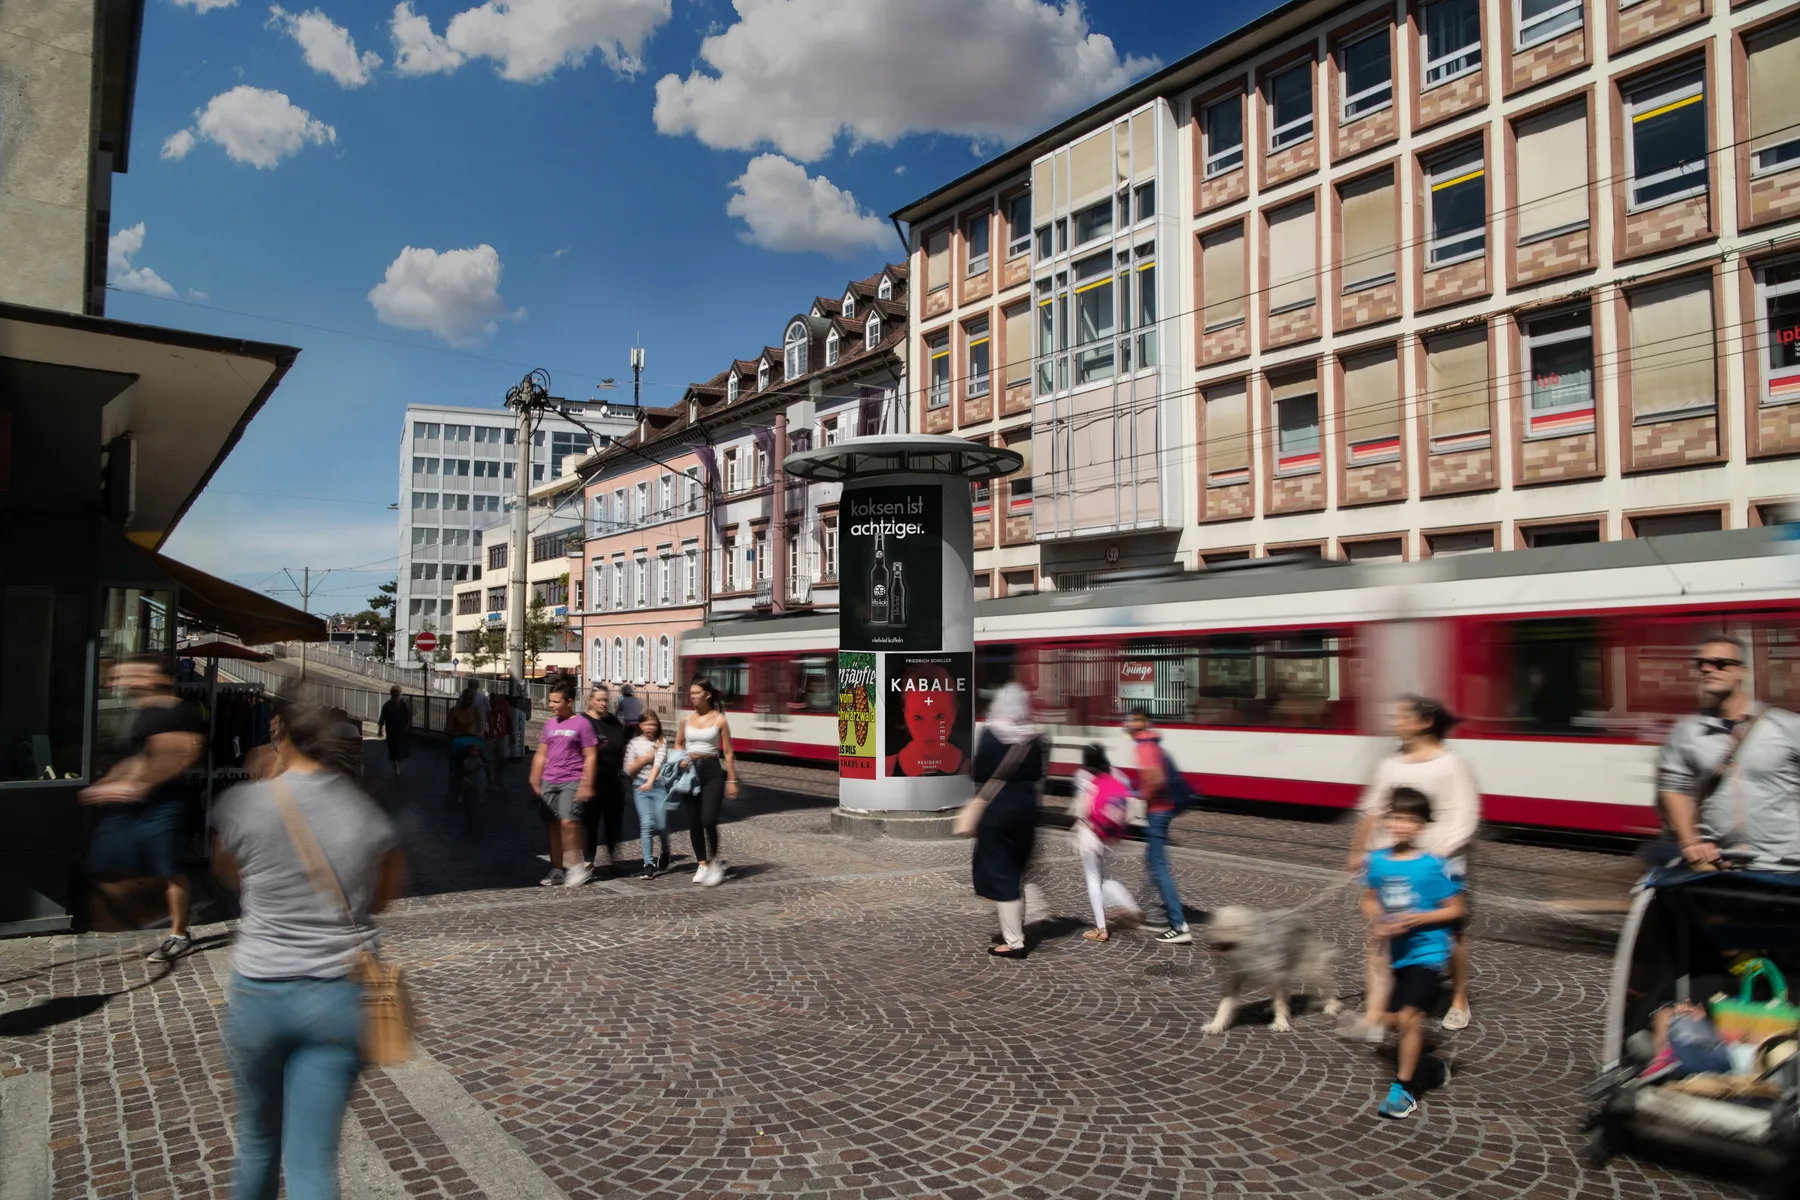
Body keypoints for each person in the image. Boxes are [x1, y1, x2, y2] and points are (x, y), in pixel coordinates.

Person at [209, 701, 405, 1200]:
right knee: (311, 1161)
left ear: (285, 741)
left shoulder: (244, 804)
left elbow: (228, 874)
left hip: (261, 989)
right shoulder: (366, 812)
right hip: (340, 995)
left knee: (256, 1143)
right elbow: (381, 899)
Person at [1344, 694, 1482, 1037]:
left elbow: (1466, 816)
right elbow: (1372, 809)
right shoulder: (1390, 764)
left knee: (1454, 931)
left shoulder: (1452, 764)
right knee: (1382, 931)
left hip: (1441, 862)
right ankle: (1377, 1012)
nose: (1394, 721)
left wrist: (1437, 854)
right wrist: (1360, 850)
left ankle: (1459, 998)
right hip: (1393, 860)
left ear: (1425, 722)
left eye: (1401, 716)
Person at [81, 654, 207, 962]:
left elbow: (179, 755)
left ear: (163, 679)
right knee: (108, 861)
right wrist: (109, 782)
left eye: (136, 675)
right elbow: (137, 757)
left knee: (168, 868)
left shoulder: (178, 713)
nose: (125, 681)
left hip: (166, 802)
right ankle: (134, 919)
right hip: (137, 803)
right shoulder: (140, 712)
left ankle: (179, 933)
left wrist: (137, 786)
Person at [1362, 786, 1465, 1119]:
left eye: (1411, 819)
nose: (1402, 825)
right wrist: (1378, 920)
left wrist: (1423, 917)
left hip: (1429, 952)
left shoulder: (1433, 866)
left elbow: (1455, 909)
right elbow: (1369, 898)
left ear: (1422, 825)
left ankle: (1402, 1090)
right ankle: (1433, 1069)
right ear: (1388, 820)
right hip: (1397, 954)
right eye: (1397, 817)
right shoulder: (1377, 861)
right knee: (1389, 1022)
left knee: (1408, 1018)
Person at [1658, 633, 1800, 868]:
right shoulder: (1687, 732)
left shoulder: (1786, 726)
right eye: (1701, 664)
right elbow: (1674, 788)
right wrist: (1690, 842)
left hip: (1787, 864)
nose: (1707, 669)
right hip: (1722, 864)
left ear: (1742, 671)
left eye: (1720, 664)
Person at [971, 683, 1049, 958]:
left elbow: (978, 770)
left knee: (1003, 875)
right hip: (1027, 808)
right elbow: (1039, 772)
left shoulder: (992, 734)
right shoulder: (1035, 737)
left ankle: (1014, 942)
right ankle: (1025, 921)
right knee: (1017, 869)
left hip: (998, 811)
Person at [1125, 708, 1196, 946]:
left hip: (1158, 812)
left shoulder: (1144, 746)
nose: (1129, 724)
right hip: (1163, 810)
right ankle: (1151, 912)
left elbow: (1154, 780)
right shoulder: (1152, 743)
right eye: (1129, 720)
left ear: (1143, 724)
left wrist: (1138, 798)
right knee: (1152, 862)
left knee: (1159, 868)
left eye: (1134, 720)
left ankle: (1178, 925)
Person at [528, 684, 598, 888]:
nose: (551, 705)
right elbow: (541, 754)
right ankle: (558, 870)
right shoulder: (549, 725)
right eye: (550, 701)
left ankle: (577, 868)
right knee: (552, 826)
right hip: (550, 780)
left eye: (555, 701)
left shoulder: (582, 724)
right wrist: (534, 781)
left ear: (569, 702)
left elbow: (591, 755)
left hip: (572, 780)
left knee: (568, 822)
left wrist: (587, 783)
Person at [1070, 743, 1140, 942]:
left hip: (1091, 834)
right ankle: (1129, 905)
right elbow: (1128, 802)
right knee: (1105, 877)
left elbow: (1084, 809)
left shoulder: (1084, 778)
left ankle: (1101, 929)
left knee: (1094, 880)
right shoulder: (1116, 775)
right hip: (1111, 834)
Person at [676, 679, 739, 886]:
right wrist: (681, 760)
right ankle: (702, 863)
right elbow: (678, 744)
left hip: (712, 771)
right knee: (693, 821)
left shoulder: (719, 719)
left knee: (708, 819)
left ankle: (714, 862)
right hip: (690, 771)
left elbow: (728, 752)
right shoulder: (685, 720)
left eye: (696, 693)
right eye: (691, 693)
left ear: (707, 695)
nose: (692, 696)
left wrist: (731, 779)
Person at [884, 663, 967, 778]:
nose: (929, 729)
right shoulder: (885, 768)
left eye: (939, 716)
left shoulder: (972, 767)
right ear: (905, 715)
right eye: (918, 717)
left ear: (954, 713)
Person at [582, 685, 629, 878]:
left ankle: (613, 857)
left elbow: (622, 746)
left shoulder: (614, 722)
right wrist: (597, 749)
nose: (603, 703)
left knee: (614, 821)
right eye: (599, 700)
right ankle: (588, 861)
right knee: (590, 822)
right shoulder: (583, 721)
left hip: (614, 778)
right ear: (590, 700)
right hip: (593, 778)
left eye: (605, 700)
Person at [624, 709, 673, 879]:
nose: (650, 727)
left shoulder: (661, 742)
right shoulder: (634, 743)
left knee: (661, 824)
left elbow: (658, 763)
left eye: (653, 724)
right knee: (646, 824)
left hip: (659, 786)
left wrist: (651, 781)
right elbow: (628, 768)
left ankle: (666, 849)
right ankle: (648, 863)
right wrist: (644, 759)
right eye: (646, 724)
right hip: (640, 787)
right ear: (640, 725)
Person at [378, 686, 412, 777]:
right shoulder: (388, 705)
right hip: (392, 730)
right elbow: (382, 718)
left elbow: (408, 716)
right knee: (394, 749)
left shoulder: (403, 705)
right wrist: (380, 729)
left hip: (401, 730)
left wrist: (406, 725)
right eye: (394, 692)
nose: (396, 694)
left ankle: (397, 764)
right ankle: (396, 767)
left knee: (399, 748)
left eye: (397, 692)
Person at [484, 689, 511, 786]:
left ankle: (496, 776)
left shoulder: (503, 704)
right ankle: (491, 780)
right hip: (490, 735)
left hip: (501, 734)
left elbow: (508, 718)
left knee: (502, 757)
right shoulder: (487, 705)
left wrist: (511, 733)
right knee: (489, 759)